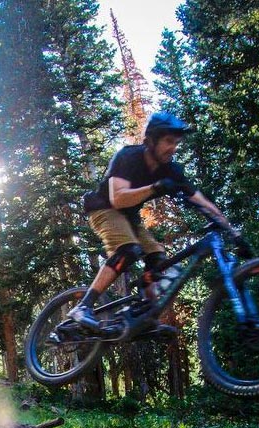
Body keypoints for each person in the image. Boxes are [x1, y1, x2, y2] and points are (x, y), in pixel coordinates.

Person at [68, 111, 232, 331]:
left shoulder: (171, 169)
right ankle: (83, 306)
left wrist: (231, 229)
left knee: (157, 258)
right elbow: (118, 198)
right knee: (129, 250)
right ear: (151, 141)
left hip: (130, 217)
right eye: (168, 141)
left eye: (176, 143)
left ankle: (146, 315)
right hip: (102, 209)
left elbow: (199, 199)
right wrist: (155, 187)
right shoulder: (128, 157)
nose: (173, 148)